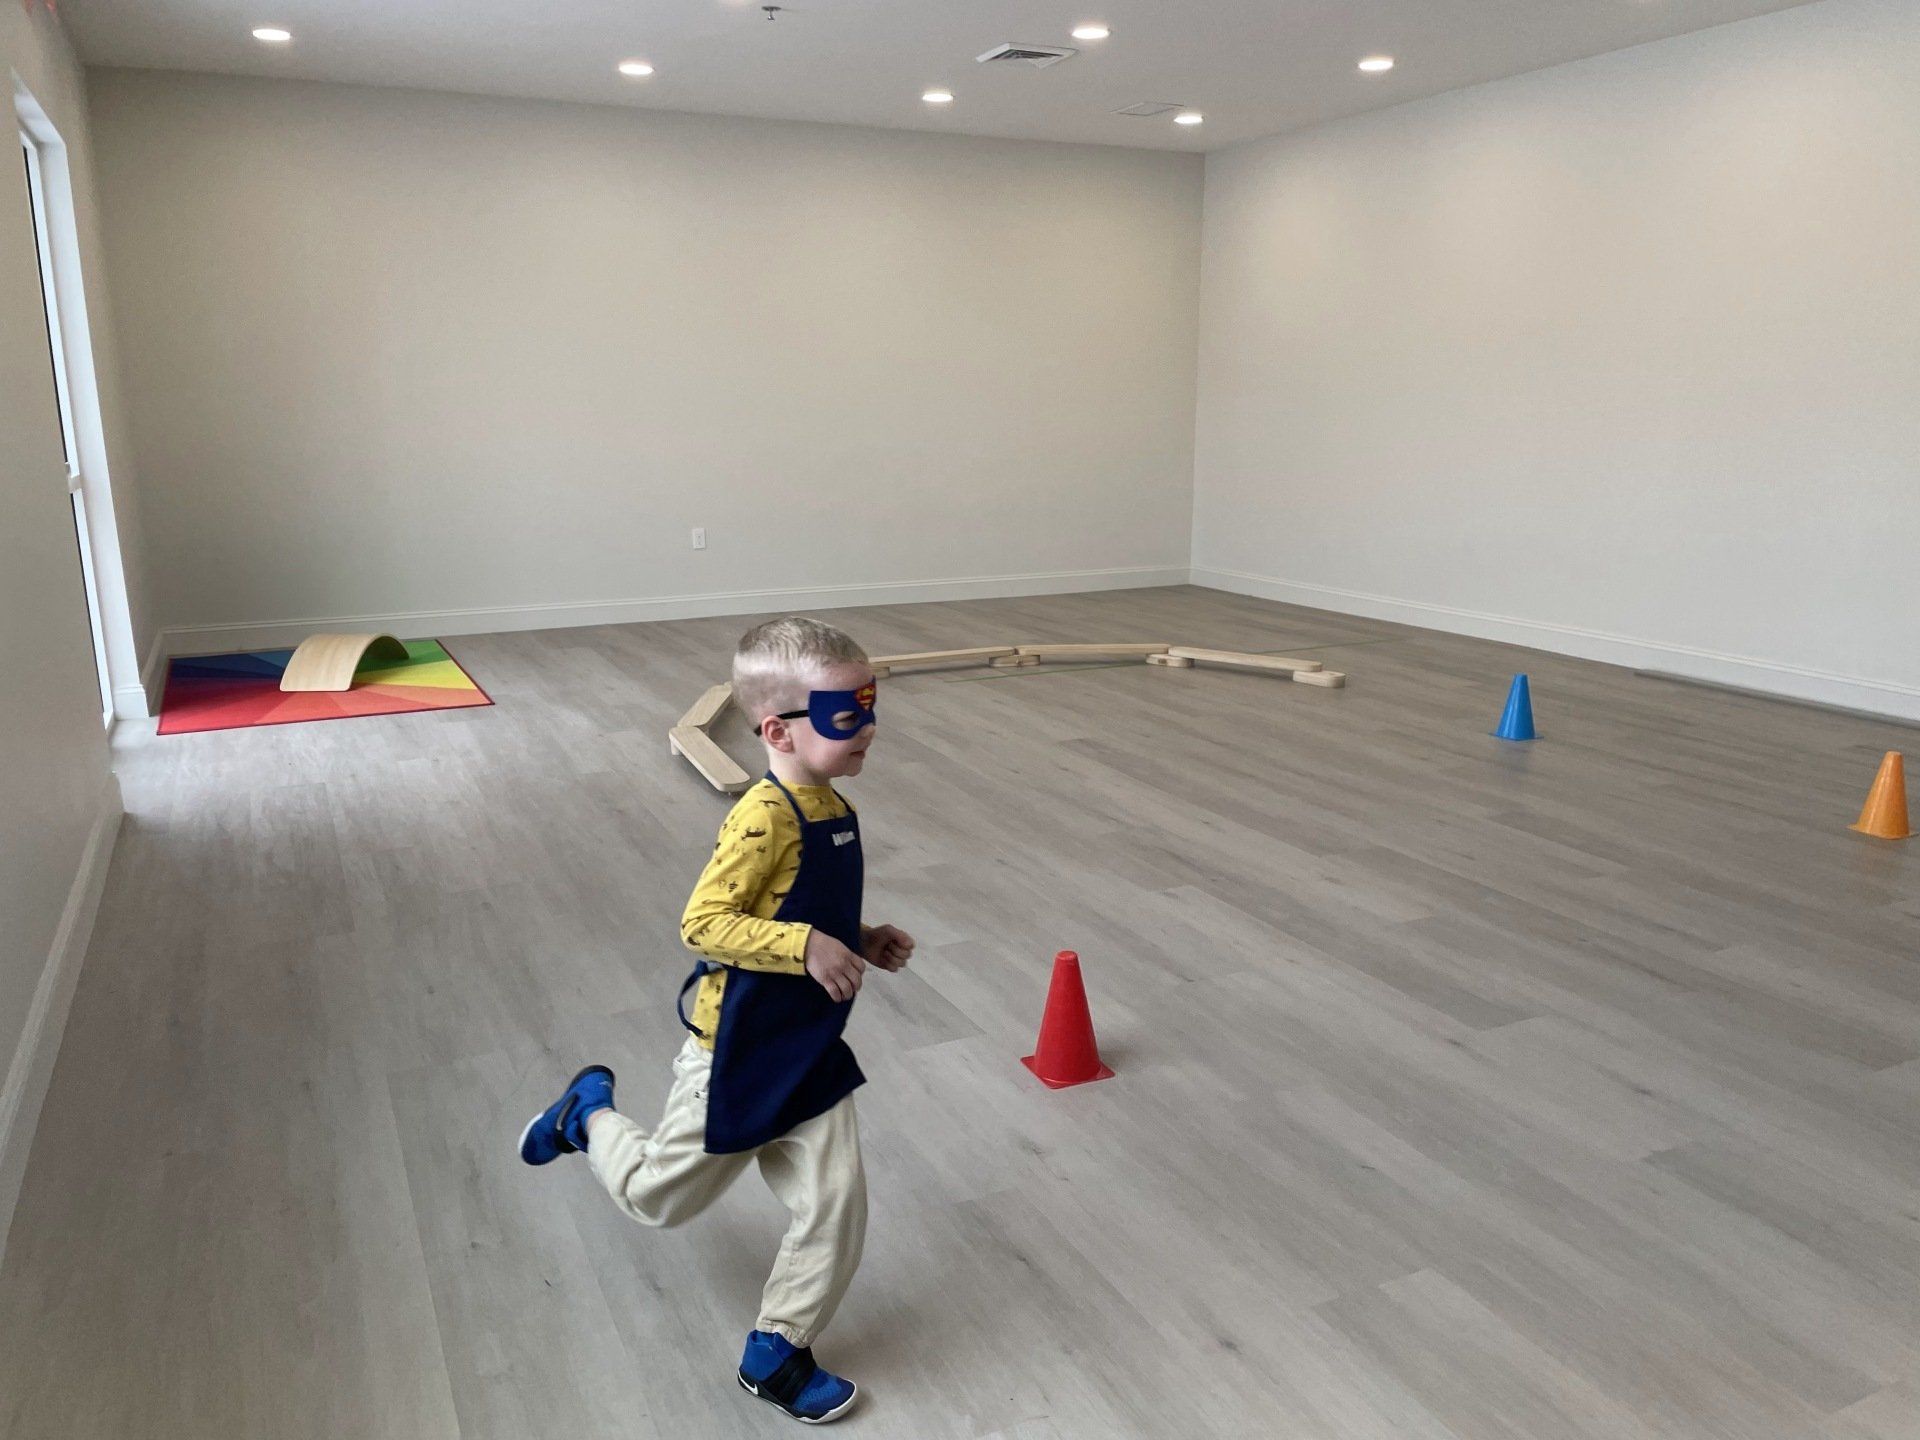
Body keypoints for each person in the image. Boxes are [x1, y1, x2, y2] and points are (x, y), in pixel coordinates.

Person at [518, 616, 914, 1424]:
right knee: (658, 1200)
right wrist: (804, 946)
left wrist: (859, 936)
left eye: (871, 705)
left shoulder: (833, 804)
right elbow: (703, 923)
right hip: (736, 1049)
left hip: (808, 1048)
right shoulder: (763, 816)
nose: (868, 725)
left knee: (836, 1201)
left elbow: (802, 905)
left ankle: (777, 1350)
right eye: (847, 713)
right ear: (778, 731)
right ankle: (586, 1116)